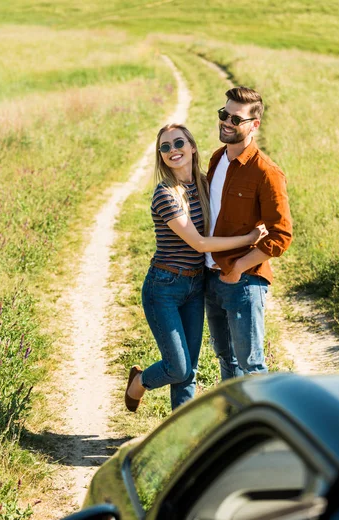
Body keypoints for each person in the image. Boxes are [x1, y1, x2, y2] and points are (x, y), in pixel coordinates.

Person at [124, 123, 268, 412]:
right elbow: (200, 244)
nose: (173, 150)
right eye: (165, 147)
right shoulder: (166, 194)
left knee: (189, 370)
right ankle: (139, 381)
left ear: (192, 147)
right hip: (164, 287)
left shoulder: (204, 185)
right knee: (177, 368)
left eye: (178, 143)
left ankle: (183, 440)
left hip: (196, 285)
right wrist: (251, 238)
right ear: (161, 156)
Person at [205, 86, 293, 381]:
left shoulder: (266, 172)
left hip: (243, 282)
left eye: (236, 119)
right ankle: (233, 423)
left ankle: (260, 426)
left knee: (251, 367)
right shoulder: (217, 159)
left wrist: (238, 267)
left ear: (254, 125)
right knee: (226, 361)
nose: (227, 122)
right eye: (224, 114)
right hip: (211, 276)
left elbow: (281, 235)